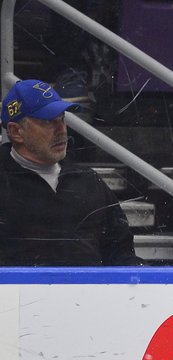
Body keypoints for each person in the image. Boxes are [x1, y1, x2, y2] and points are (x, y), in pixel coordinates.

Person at [0, 78, 144, 266]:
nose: (61, 130)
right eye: (48, 122)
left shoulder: (89, 181)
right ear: (16, 131)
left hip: (88, 294)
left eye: (62, 119)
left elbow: (120, 251)